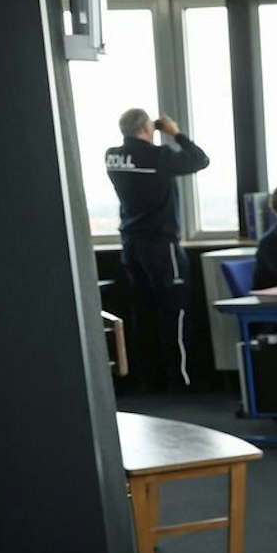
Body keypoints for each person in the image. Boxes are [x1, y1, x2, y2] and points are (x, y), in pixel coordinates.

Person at [107, 108, 210, 391]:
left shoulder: (112, 156)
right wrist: (175, 133)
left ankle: (147, 379)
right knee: (173, 311)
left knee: (143, 311)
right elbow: (200, 160)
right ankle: (181, 379)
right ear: (147, 129)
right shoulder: (157, 157)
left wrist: (152, 133)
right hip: (161, 246)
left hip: (130, 243)